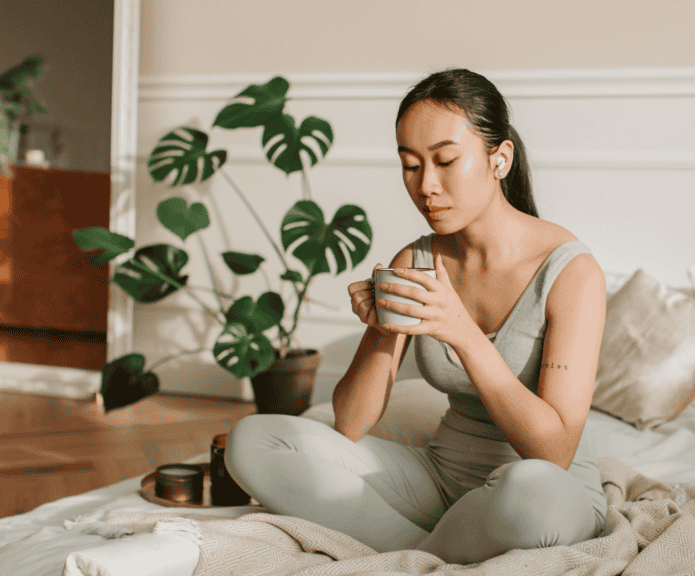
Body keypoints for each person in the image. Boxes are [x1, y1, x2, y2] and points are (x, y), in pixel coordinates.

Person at [225, 68, 608, 564]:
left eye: (446, 161)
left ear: (500, 159)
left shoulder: (572, 272)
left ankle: (400, 554)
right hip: (441, 480)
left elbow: (554, 453)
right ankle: (421, 556)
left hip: (542, 491)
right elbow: (351, 424)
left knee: (528, 494)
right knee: (253, 440)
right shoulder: (417, 260)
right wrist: (381, 328)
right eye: (410, 165)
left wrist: (465, 336)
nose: (426, 185)